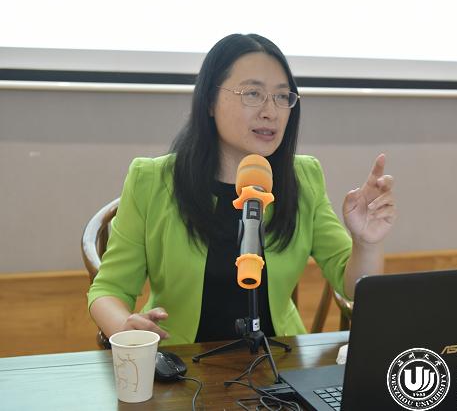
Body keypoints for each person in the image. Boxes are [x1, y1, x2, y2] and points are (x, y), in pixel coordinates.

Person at [87, 34, 396, 346]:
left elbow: (352, 287)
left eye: (282, 96)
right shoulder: (151, 180)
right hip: (181, 363)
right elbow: (109, 289)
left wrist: (366, 243)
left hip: (281, 359)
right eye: (253, 93)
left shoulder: (304, 177)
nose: (271, 112)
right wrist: (124, 327)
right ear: (209, 101)